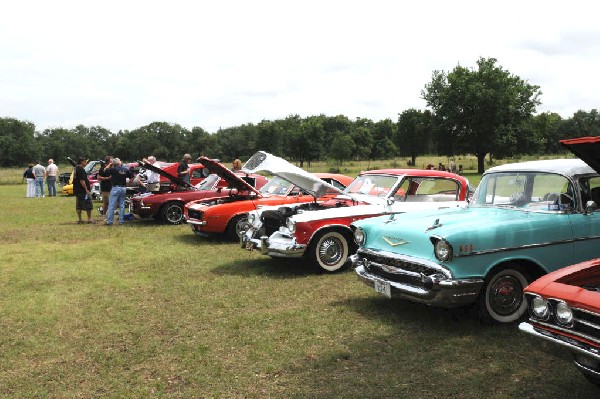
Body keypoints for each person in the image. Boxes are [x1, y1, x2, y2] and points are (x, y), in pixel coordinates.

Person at [99, 158, 134, 225]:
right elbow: (132, 177)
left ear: (114, 163)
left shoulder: (114, 169)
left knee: (112, 205)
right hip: (123, 188)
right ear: (119, 163)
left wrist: (109, 164)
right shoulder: (125, 169)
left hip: (115, 188)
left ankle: (109, 221)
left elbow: (105, 170)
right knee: (122, 205)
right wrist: (129, 183)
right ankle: (121, 221)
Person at [73, 157, 94, 224]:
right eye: (85, 162)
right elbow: (82, 180)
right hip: (83, 190)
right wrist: (86, 189)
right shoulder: (81, 169)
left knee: (79, 205)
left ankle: (80, 219)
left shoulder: (76, 168)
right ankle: (89, 219)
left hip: (77, 190)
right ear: (81, 162)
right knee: (88, 204)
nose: (86, 163)